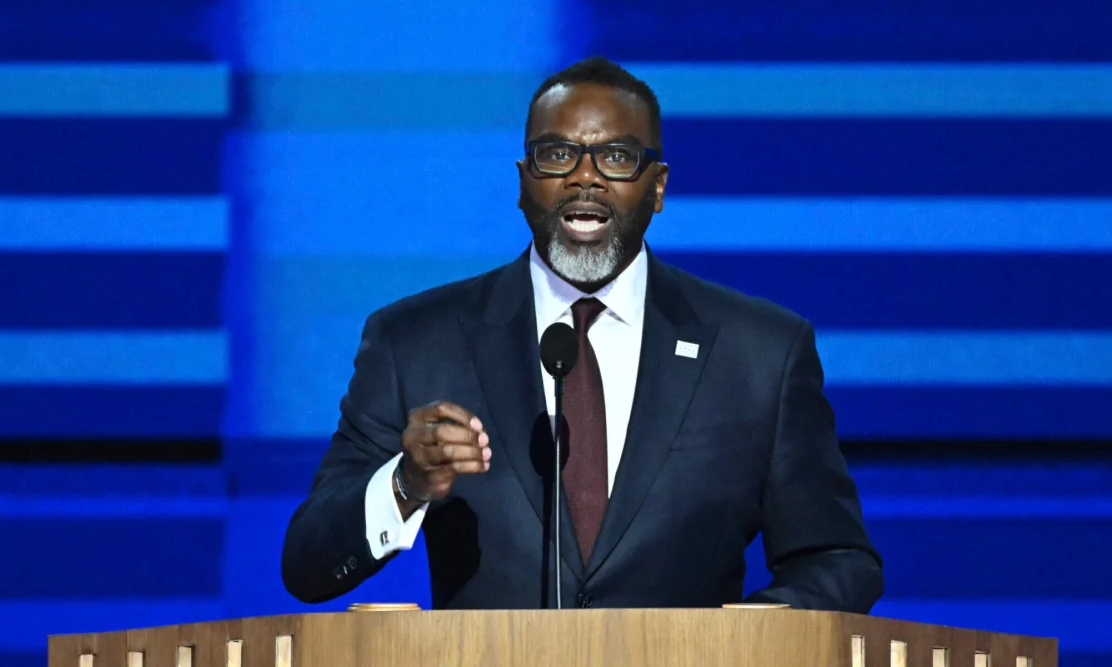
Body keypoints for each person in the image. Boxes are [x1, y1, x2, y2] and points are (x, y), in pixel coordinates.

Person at [280, 56, 883, 611]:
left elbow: (837, 560)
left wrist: (740, 637)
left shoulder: (761, 354)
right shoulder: (414, 341)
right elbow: (308, 565)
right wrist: (406, 485)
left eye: (618, 157)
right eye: (557, 155)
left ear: (659, 186)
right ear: (523, 182)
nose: (585, 179)